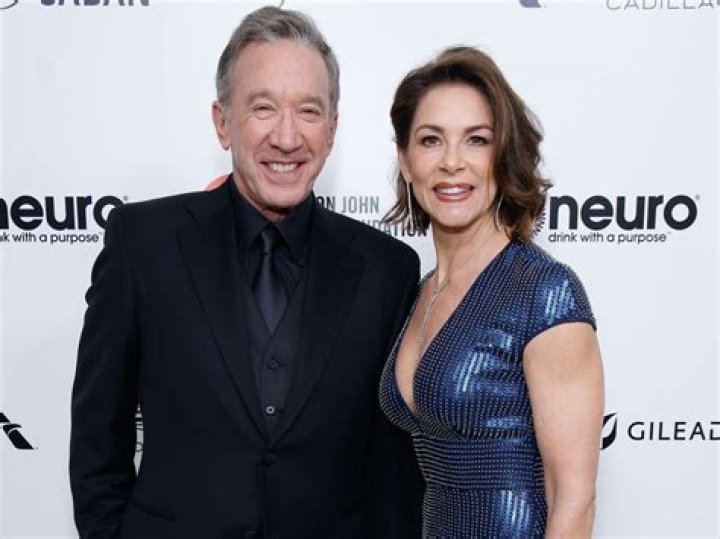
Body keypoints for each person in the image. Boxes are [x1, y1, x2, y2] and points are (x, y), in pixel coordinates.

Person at [70, 6, 423, 538]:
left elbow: (392, 473)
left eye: (308, 111)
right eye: (263, 108)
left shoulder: (386, 269)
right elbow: (98, 435)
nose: (287, 137)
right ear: (222, 122)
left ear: (332, 130)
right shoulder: (142, 244)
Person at [379, 46, 604, 537]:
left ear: (502, 157)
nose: (452, 162)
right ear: (406, 160)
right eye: (431, 140)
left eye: (476, 140)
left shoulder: (544, 293)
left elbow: (574, 501)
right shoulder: (421, 292)